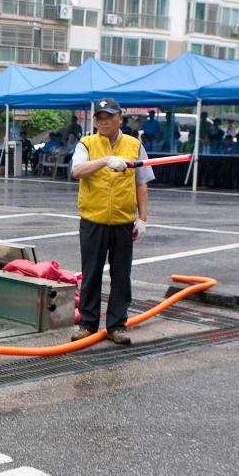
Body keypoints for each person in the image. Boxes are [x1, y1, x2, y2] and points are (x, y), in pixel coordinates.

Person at [69, 98, 153, 346]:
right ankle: (87, 323)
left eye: (109, 117)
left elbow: (142, 182)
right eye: (100, 118)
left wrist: (143, 219)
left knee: (121, 275)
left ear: (120, 119)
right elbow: (77, 171)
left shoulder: (134, 145)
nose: (104, 122)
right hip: (93, 220)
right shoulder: (87, 143)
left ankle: (117, 325)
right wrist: (105, 161)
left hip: (123, 221)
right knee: (92, 273)